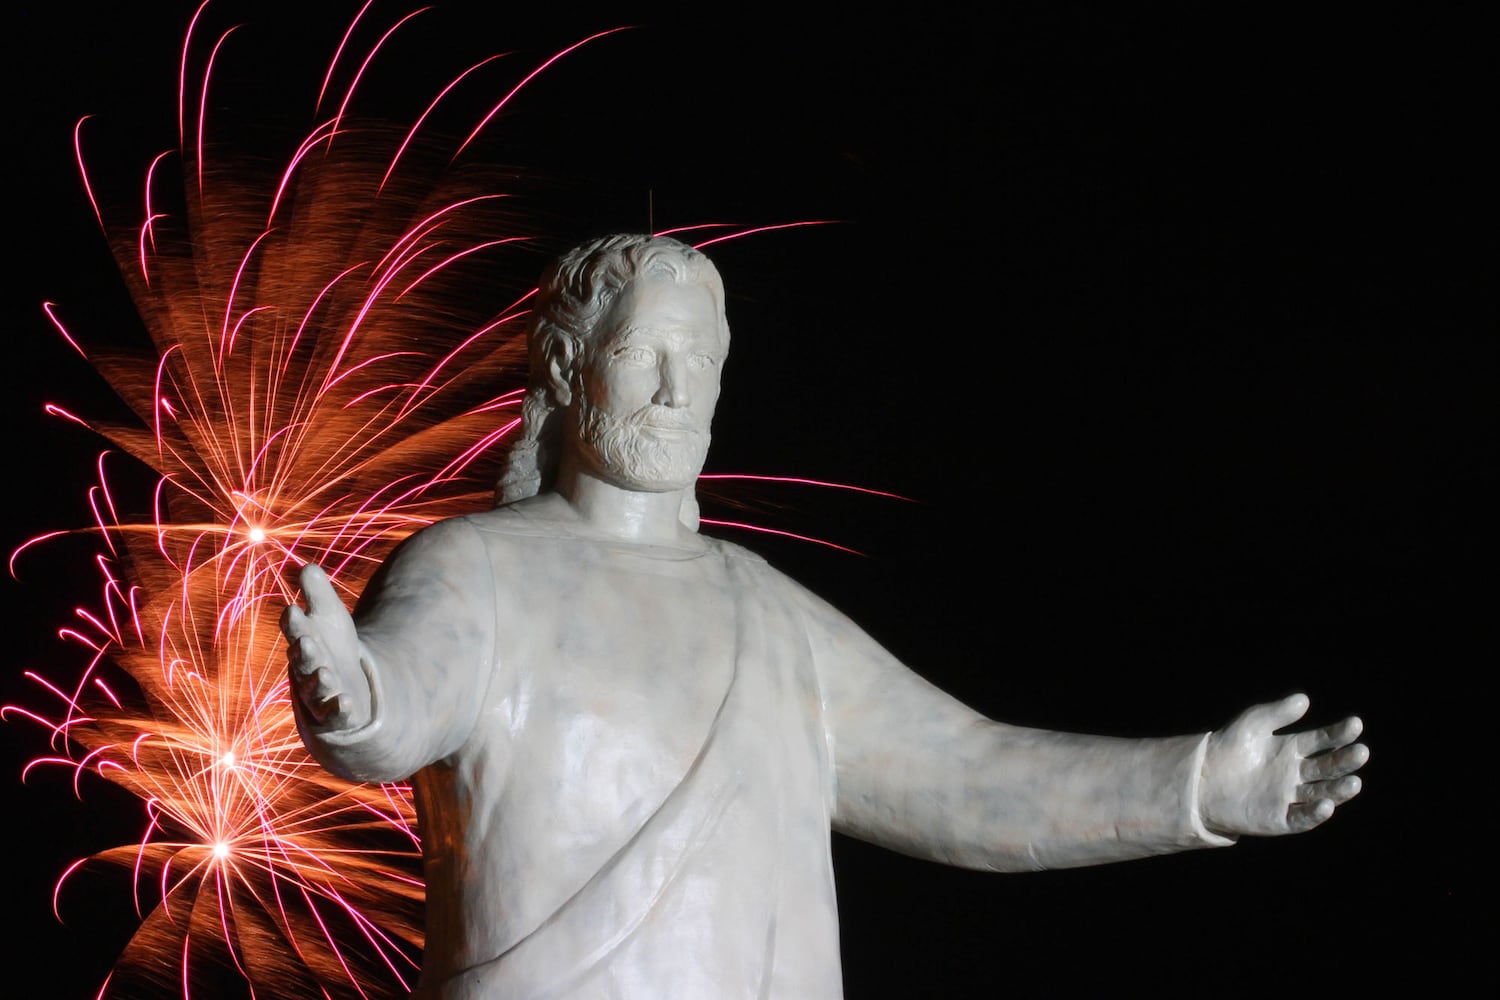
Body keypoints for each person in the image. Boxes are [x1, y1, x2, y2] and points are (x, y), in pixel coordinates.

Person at [282, 233, 1367, 1000]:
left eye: (700, 363)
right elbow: (397, 709)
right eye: (640, 355)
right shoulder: (475, 571)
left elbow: (968, 773)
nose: (675, 391)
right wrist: (351, 692)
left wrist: (1196, 787)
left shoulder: (769, 614)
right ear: (569, 369)